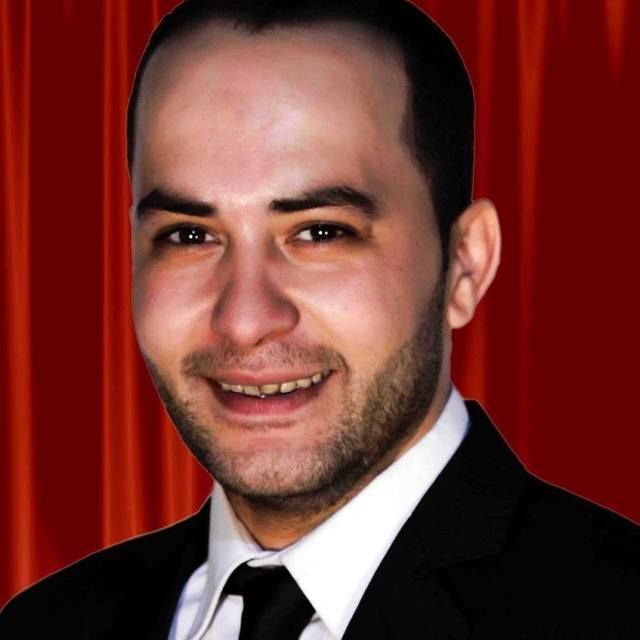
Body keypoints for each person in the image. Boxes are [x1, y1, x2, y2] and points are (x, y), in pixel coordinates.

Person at [2, 0, 639, 637]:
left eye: (321, 232)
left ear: (464, 265)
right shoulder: (44, 626)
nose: (244, 320)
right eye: (190, 236)